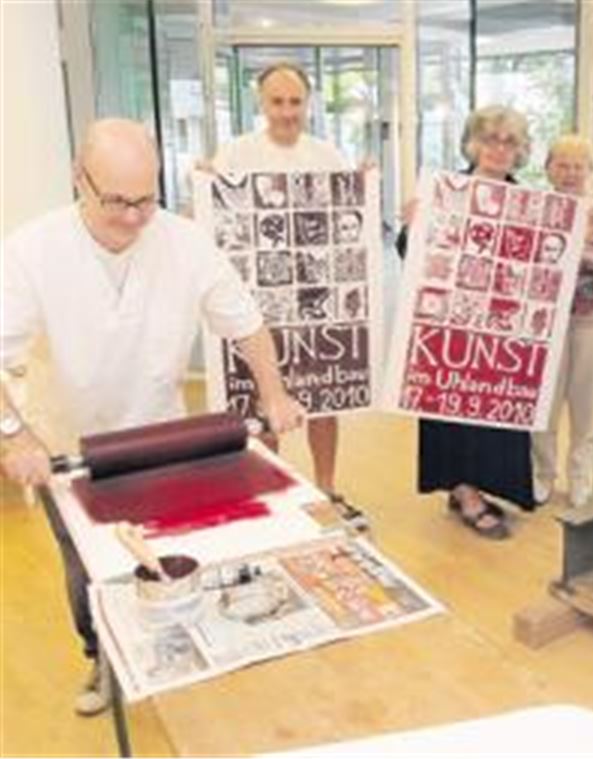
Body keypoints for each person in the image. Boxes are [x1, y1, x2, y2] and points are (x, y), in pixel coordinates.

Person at [0, 119, 305, 716]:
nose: (135, 217)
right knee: (90, 568)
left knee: (169, 555)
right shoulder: (30, 251)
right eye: (117, 201)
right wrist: (15, 434)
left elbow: (246, 323)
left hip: (161, 440)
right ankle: (101, 659)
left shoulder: (185, 241)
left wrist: (274, 393)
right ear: (78, 181)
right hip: (69, 448)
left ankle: (177, 648)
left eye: (146, 199)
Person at [209, 61, 351, 496]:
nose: (287, 111)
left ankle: (326, 487)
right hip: (255, 302)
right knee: (263, 399)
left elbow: (348, 218)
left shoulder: (326, 155)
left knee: (325, 399)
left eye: (295, 102)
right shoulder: (234, 153)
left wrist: (363, 184)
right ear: (261, 102)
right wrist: (202, 184)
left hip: (315, 297)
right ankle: (272, 489)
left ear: (307, 103)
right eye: (277, 101)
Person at [396, 105, 536, 539]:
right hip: (449, 324)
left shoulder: (530, 203)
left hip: (502, 327)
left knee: (493, 410)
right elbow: (409, 252)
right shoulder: (446, 191)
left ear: (521, 151)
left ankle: (476, 487)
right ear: (473, 143)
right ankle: (465, 492)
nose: (498, 149)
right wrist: (413, 226)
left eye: (509, 141)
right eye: (490, 139)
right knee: (452, 411)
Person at [532, 135, 593, 508]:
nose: (570, 173)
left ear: (590, 170)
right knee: (544, 406)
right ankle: (541, 475)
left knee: (587, 406)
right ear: (548, 169)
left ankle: (582, 476)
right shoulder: (536, 209)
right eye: (562, 164)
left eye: (578, 165)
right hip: (545, 320)